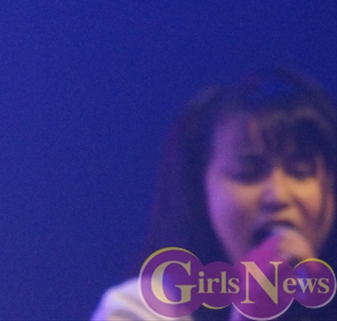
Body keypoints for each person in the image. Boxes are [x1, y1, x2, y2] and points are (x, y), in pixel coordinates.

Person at [92, 67, 336, 321]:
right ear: (200, 192)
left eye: (300, 171)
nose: (278, 196)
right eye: (247, 173)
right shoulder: (138, 309)